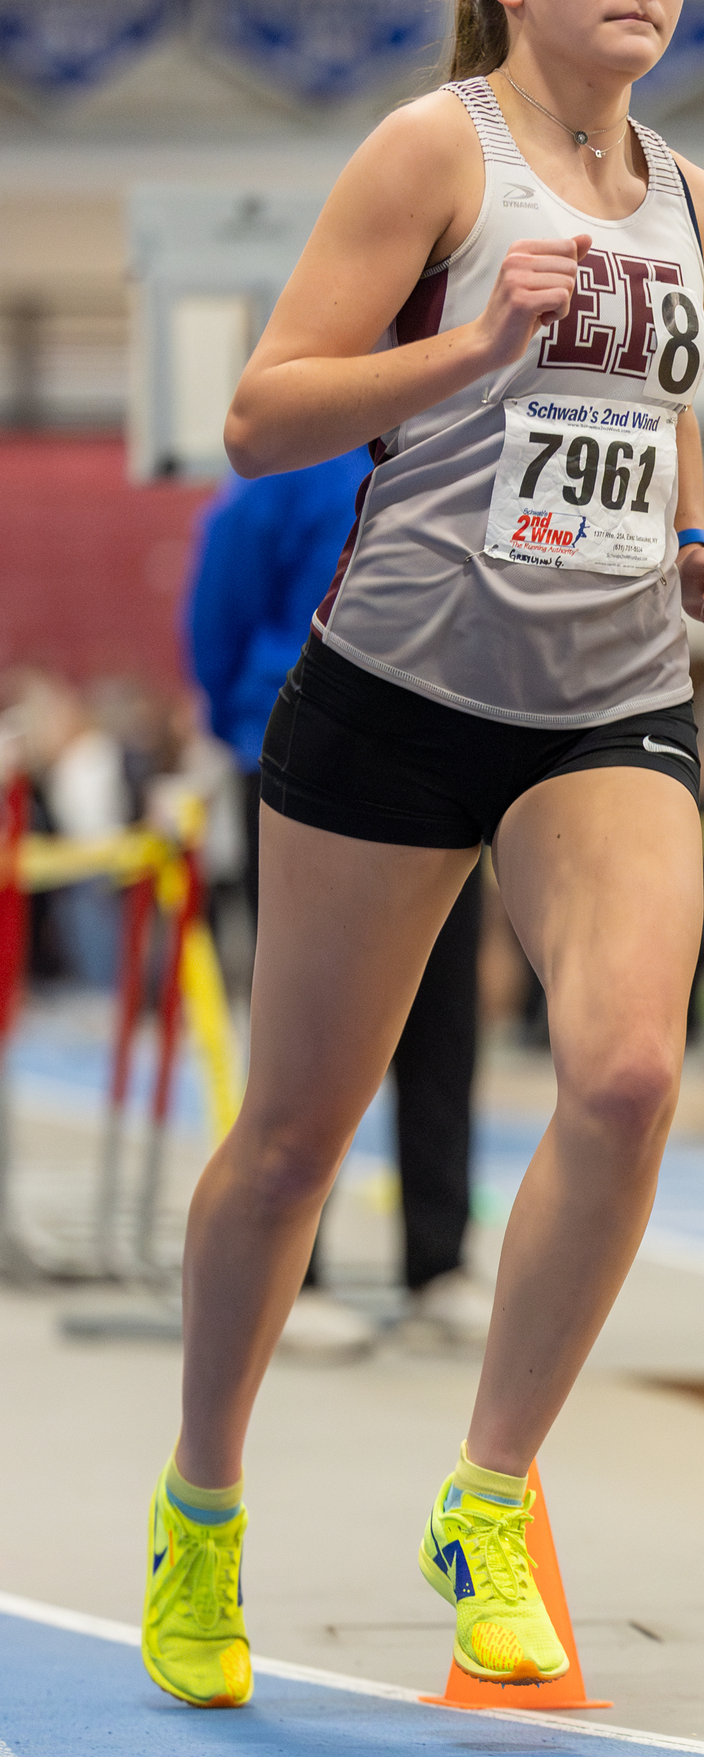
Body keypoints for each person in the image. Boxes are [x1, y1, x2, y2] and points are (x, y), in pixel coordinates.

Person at [142, 0, 704, 1712]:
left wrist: (690, 552)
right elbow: (261, 417)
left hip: (602, 695)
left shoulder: (701, 208)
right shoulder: (437, 151)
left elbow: (645, 426)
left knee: (633, 1069)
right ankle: (203, 1504)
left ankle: (488, 1493)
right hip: (396, 692)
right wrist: (465, 340)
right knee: (289, 1148)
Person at [188, 454, 493, 1358]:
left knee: (442, 1021)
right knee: (307, 1031)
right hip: (304, 757)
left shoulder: (464, 428)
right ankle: (298, 1270)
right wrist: (243, 722)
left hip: (447, 747)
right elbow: (219, 608)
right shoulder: (289, 462)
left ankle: (437, 1261)